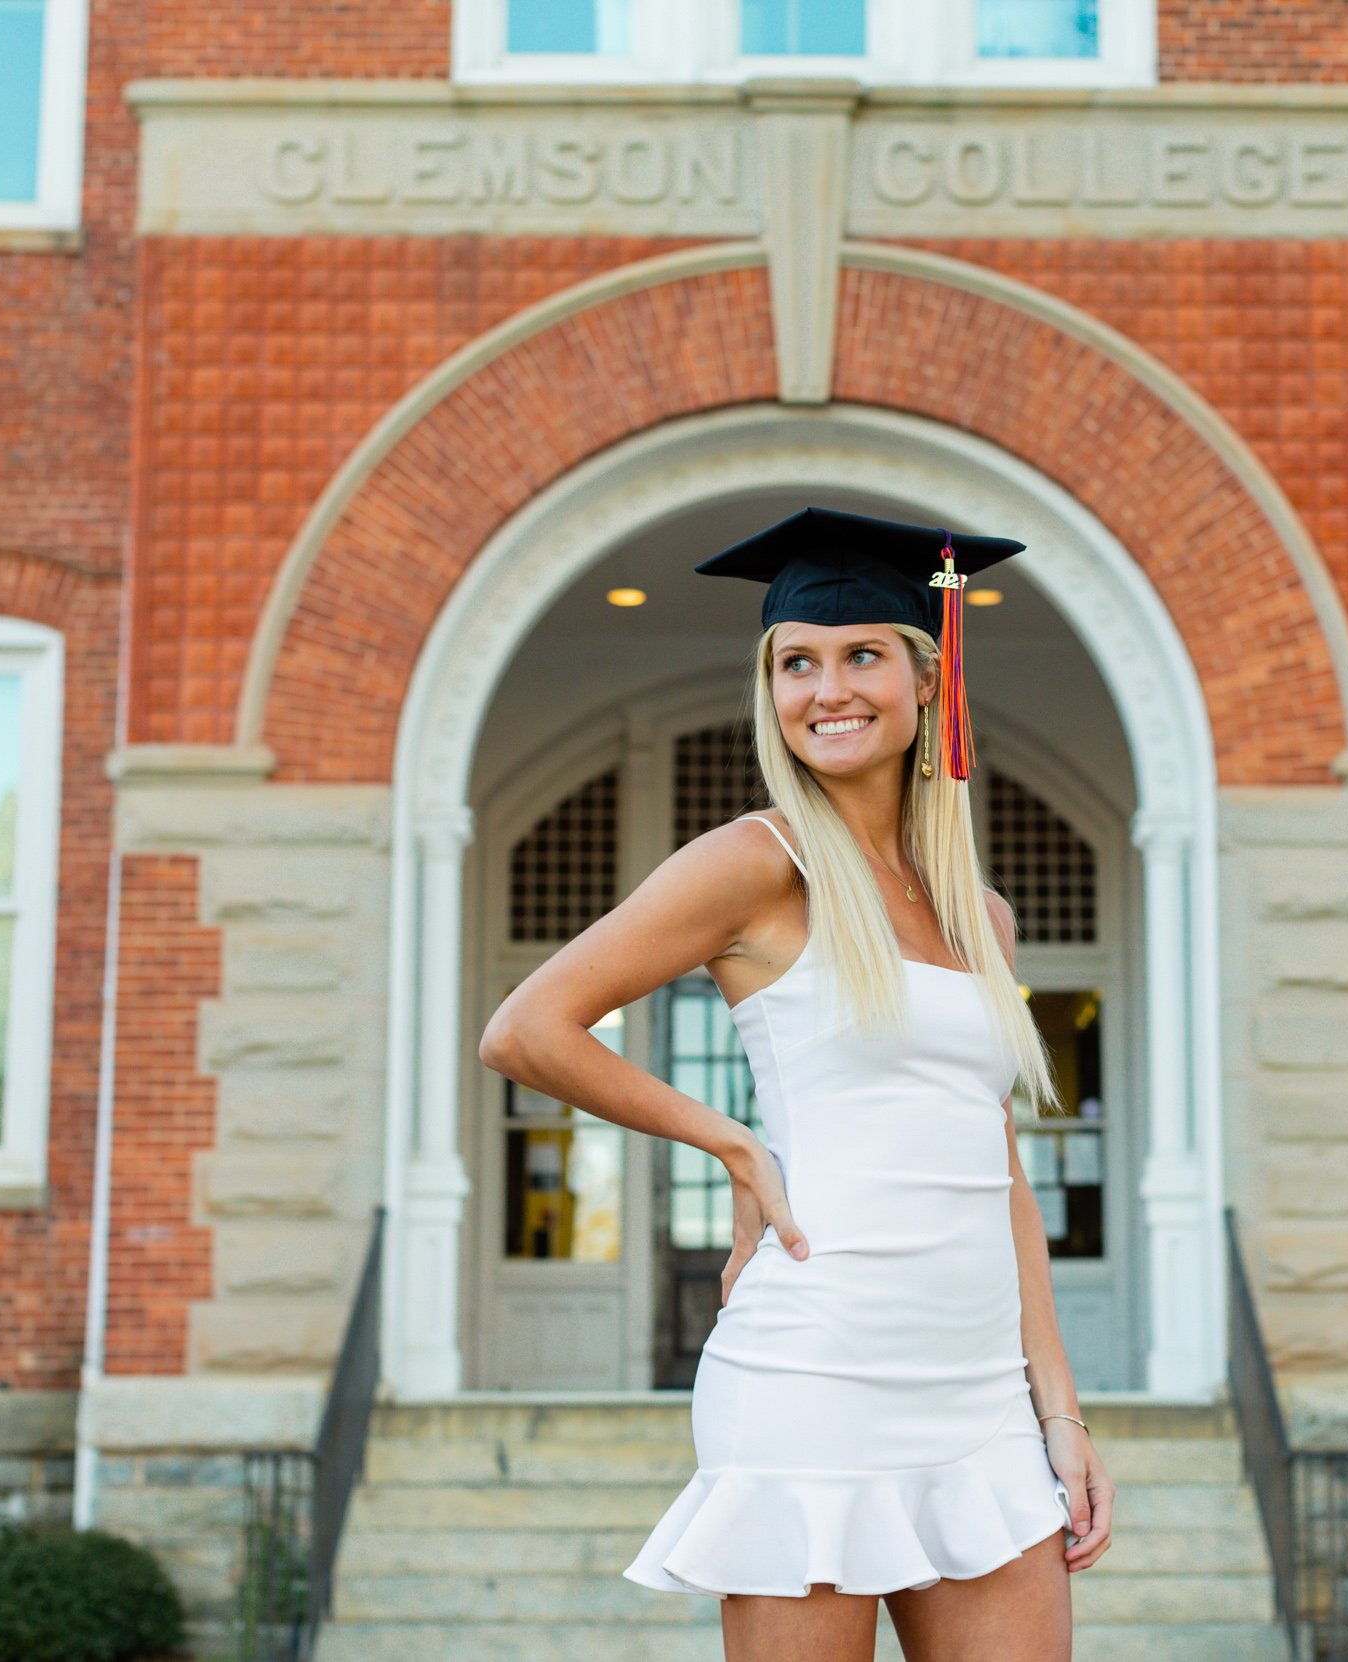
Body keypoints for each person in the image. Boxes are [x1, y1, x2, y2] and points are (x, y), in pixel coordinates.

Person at [477, 505, 1116, 1661]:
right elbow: (527, 1030)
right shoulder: (754, 865)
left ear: (929, 681)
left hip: (975, 1396)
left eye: (862, 654)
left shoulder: (985, 917)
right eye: (795, 663)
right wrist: (732, 1143)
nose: (828, 689)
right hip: (814, 1369)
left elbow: (1000, 1174)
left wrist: (1056, 1411)